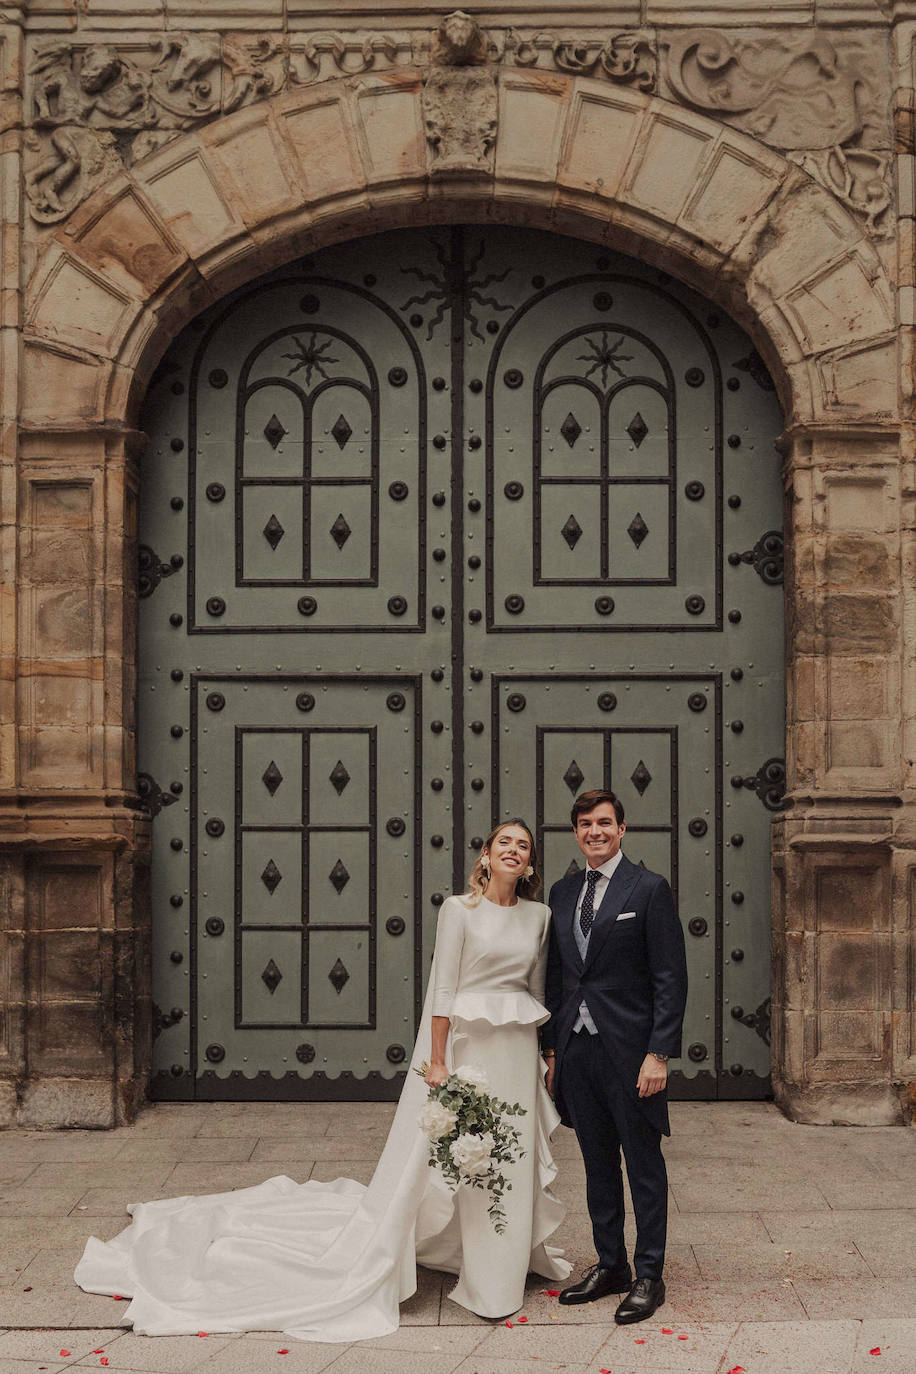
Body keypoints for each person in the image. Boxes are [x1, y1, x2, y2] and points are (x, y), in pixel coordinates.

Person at [75, 819, 569, 1342]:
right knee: (468, 1156)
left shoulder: (539, 916)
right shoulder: (458, 910)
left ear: (531, 863)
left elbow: (537, 992)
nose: (514, 851)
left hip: (516, 1052)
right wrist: (439, 1061)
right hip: (469, 1051)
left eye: (523, 846)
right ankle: (485, 1280)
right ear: (486, 856)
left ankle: (505, 1270)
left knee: (510, 1158)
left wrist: (549, 1056)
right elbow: (443, 991)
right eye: (504, 843)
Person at [542, 788, 688, 1325]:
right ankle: (611, 1265)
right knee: (597, 1163)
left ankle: (650, 1273)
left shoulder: (648, 889)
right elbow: (559, 975)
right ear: (576, 832)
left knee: (643, 1163)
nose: (595, 832)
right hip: (578, 1050)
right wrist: (553, 1048)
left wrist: (659, 1053)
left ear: (622, 829)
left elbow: (670, 976)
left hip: (631, 1053)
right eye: (585, 824)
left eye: (605, 823)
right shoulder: (561, 892)